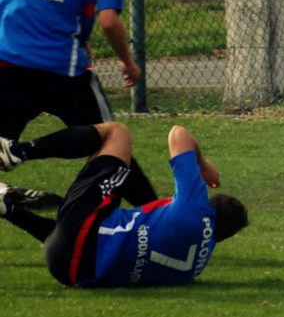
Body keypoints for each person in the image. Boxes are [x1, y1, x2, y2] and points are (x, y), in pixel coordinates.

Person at [0, 0, 156, 205]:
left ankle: (7, 197)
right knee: (110, 142)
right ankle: (155, 216)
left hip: (6, 53)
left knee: (2, 146)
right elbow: (110, 21)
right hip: (59, 65)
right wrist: (129, 64)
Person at [0, 123, 249, 288]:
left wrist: (203, 165)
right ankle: (6, 207)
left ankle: (17, 152)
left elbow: (178, 134)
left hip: (79, 236)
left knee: (116, 135)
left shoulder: (197, 211)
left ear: (210, 207)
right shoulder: (196, 268)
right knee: (106, 231)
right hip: (70, 271)